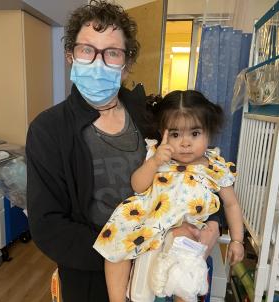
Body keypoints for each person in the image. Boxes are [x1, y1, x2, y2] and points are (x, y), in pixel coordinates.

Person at [26, 1, 221, 302]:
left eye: (112, 53)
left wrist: (209, 226)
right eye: (87, 50)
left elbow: (194, 163)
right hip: (91, 275)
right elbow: (48, 226)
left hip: (161, 266)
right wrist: (122, 252)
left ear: (126, 63)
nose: (98, 62)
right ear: (70, 55)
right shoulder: (49, 130)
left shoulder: (149, 117)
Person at [94, 90, 244, 302]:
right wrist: (154, 162)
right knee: (114, 246)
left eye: (194, 133)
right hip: (148, 219)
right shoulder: (157, 154)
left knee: (186, 264)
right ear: (162, 132)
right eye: (175, 134)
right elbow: (137, 185)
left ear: (209, 132)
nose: (185, 143)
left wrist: (237, 240)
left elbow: (231, 205)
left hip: (186, 226)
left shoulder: (216, 167)